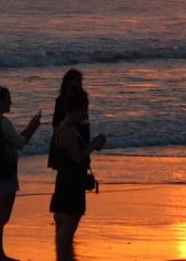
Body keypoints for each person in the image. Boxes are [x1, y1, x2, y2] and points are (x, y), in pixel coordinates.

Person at [0, 82, 42, 261]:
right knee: (2, 219)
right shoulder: (3, 122)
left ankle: (0, 254)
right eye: (8, 100)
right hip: (5, 174)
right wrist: (33, 126)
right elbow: (20, 143)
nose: (10, 103)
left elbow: (11, 140)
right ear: (0, 101)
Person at [52, 88, 106, 261]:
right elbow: (76, 157)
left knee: (64, 223)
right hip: (70, 182)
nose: (86, 113)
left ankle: (63, 256)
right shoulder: (67, 129)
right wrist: (93, 145)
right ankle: (64, 256)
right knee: (69, 224)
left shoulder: (68, 127)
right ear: (76, 109)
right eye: (84, 109)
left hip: (67, 181)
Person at [49, 69, 88, 169]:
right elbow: (56, 125)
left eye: (80, 80)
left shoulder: (83, 97)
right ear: (68, 82)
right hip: (67, 139)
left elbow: (85, 120)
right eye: (76, 80)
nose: (79, 83)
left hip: (81, 135)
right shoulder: (61, 100)